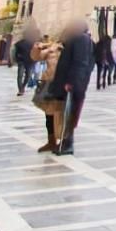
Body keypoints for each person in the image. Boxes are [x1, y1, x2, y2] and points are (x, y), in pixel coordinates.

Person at [47, 19, 94, 155]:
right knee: (66, 114)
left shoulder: (82, 39)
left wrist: (72, 83)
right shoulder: (77, 39)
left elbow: (80, 63)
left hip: (74, 85)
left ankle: (68, 144)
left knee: (70, 113)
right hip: (72, 83)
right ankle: (65, 142)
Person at [30, 33, 65, 152]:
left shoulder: (65, 47)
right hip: (48, 82)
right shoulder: (50, 47)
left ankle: (61, 140)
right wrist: (38, 47)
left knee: (60, 113)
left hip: (61, 83)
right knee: (48, 113)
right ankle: (51, 141)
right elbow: (36, 57)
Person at [12, 26, 36, 95]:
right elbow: (14, 52)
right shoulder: (19, 44)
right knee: (20, 75)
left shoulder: (33, 43)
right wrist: (15, 60)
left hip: (30, 61)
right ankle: (20, 90)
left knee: (28, 75)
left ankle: (23, 87)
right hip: (21, 61)